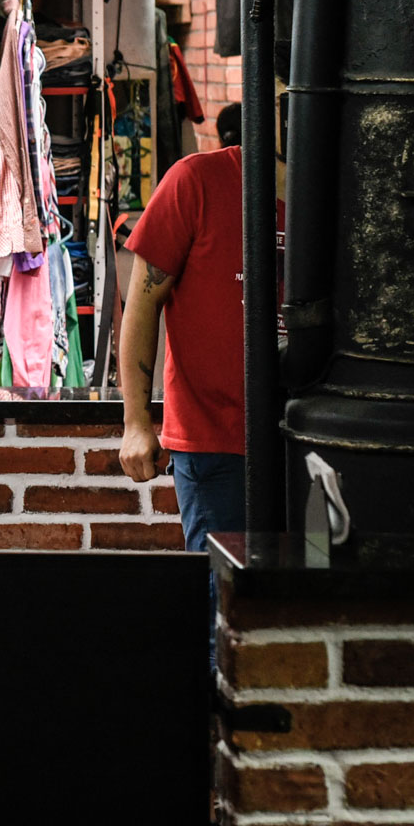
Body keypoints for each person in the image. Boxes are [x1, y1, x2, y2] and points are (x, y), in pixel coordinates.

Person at [118, 136, 286, 553]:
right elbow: (140, 305)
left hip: (307, 438)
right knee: (224, 597)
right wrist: (136, 423)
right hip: (215, 445)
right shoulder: (196, 181)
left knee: (305, 601)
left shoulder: (332, 189)